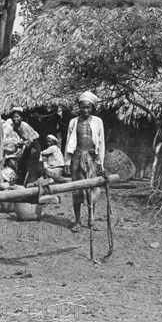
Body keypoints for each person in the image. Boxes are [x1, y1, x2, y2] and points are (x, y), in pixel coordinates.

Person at [64, 92, 105, 232]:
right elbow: (69, 142)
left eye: (88, 107)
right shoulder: (73, 122)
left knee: (92, 189)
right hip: (76, 157)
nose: (86, 110)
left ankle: (91, 219)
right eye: (83, 107)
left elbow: (101, 143)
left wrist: (101, 162)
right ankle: (77, 221)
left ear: (92, 107)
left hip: (92, 158)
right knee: (76, 189)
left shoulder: (98, 122)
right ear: (79, 107)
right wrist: (67, 161)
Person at [9, 107, 40, 185]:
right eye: (14, 117)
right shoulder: (16, 127)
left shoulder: (24, 126)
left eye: (17, 117)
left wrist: (21, 144)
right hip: (29, 146)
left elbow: (31, 140)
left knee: (31, 165)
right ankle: (22, 182)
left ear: (21, 118)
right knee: (22, 163)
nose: (15, 119)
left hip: (34, 145)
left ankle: (31, 182)